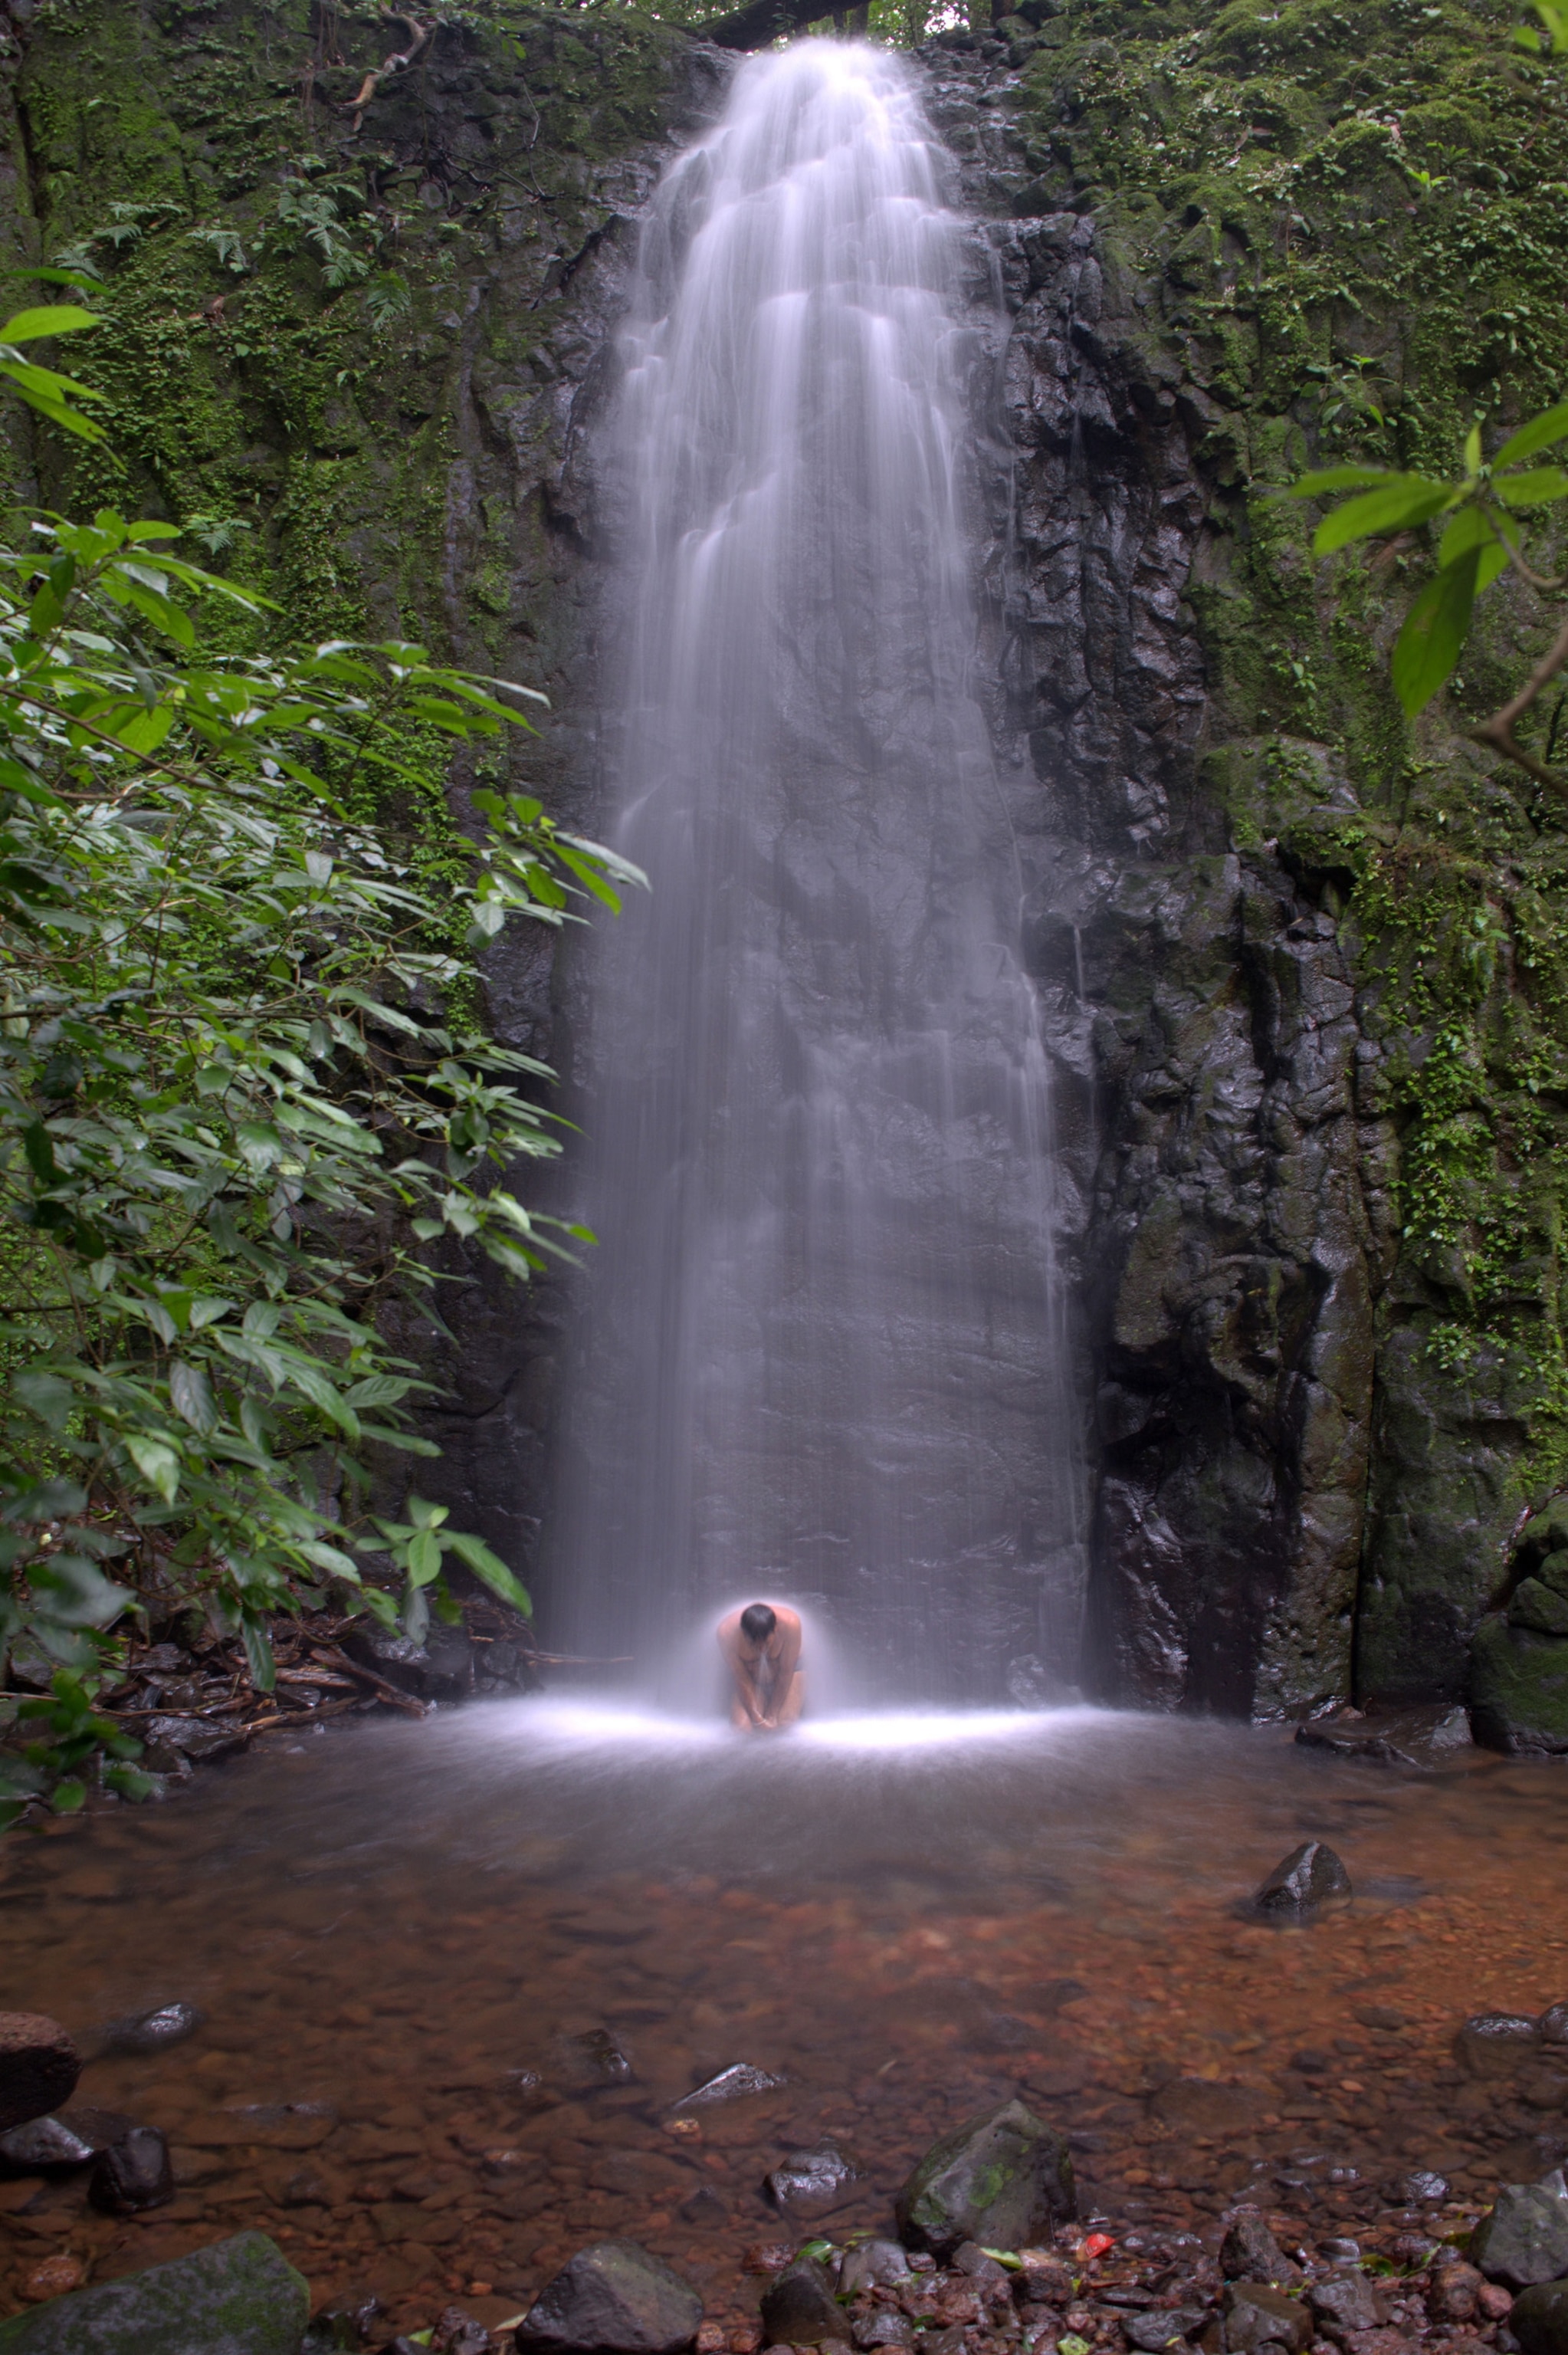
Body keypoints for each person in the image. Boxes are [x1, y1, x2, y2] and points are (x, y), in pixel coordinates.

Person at [717, 1601, 803, 1731]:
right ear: (744, 1634)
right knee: (741, 1728)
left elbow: (786, 1672)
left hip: (790, 1674)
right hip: (751, 1679)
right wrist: (756, 1718)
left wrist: (772, 1714)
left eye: (767, 1643)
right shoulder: (727, 1633)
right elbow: (741, 1677)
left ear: (776, 1630)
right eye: (755, 1645)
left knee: (785, 1724)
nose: (762, 1649)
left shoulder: (791, 1624)